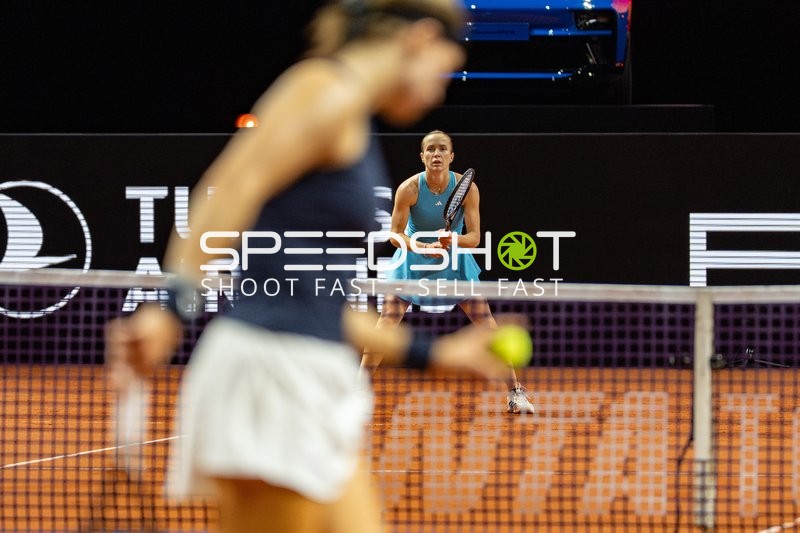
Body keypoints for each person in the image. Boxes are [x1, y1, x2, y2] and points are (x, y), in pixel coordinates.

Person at [104, 2, 511, 533]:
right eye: (443, 70)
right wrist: (172, 305)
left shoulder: (351, 119)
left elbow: (320, 306)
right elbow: (233, 186)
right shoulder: (326, 89)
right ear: (419, 38)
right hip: (273, 377)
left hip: (310, 376)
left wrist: (433, 353)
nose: (439, 91)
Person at [359, 130, 535, 414]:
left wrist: (452, 239)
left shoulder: (467, 189)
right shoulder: (410, 189)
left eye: (442, 149)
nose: (436, 154)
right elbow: (394, 235)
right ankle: (357, 392)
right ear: (422, 156)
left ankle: (515, 393)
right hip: (413, 262)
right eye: (431, 149)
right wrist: (417, 245)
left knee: (488, 326)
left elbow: (474, 237)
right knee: (386, 323)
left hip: (453, 263)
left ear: (451, 156)